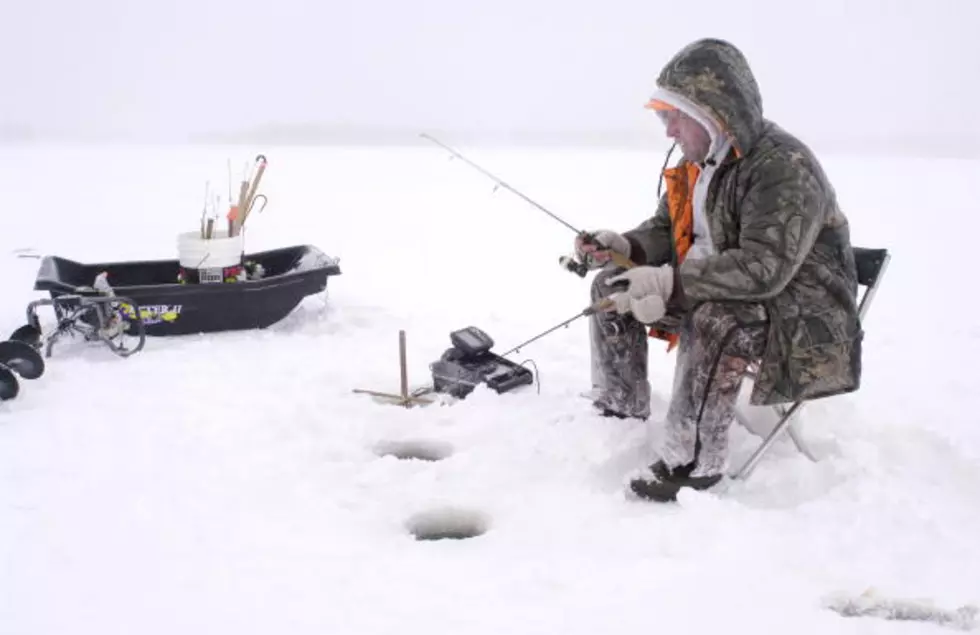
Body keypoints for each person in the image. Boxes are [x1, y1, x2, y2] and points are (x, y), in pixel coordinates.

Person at [575, 38, 862, 502]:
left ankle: (691, 463)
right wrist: (624, 246)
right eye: (661, 116)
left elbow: (764, 267)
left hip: (802, 317)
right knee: (613, 286)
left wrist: (671, 283)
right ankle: (619, 411)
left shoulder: (782, 167)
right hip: (727, 292)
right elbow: (668, 230)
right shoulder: (699, 163)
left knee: (716, 322)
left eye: (673, 117)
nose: (667, 130)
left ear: (713, 113)